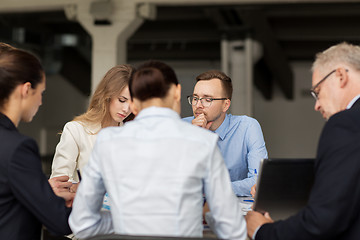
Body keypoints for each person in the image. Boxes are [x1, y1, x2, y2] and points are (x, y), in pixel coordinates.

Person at [69, 61, 247, 239]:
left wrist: (127, 221)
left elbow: (82, 224)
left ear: (134, 103)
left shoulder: (107, 142)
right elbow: (232, 229)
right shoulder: (204, 142)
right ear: (177, 92)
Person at [245, 42, 360, 240]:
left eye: (317, 91)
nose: (317, 105)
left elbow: (323, 221)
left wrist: (262, 231)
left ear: (340, 76)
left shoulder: (345, 123)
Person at [0, 43, 75, 239]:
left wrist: (40, 191)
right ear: (26, 90)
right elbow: (60, 222)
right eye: (41, 93)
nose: (41, 102)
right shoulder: (18, 148)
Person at [183, 70, 268, 196]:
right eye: (195, 98)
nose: (198, 105)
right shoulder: (183, 127)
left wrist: (212, 190)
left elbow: (259, 181)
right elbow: (172, 181)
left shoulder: (247, 127)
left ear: (225, 105)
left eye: (207, 99)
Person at [50, 64, 134, 182]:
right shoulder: (76, 130)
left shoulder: (133, 136)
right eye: (122, 100)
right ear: (107, 96)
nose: (126, 109)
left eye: (132, 103)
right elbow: (59, 182)